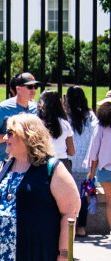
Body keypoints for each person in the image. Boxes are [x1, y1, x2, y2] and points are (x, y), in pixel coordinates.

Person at [0, 114, 81, 261]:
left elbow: (70, 212)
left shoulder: (52, 168)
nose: (4, 138)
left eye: (10, 133)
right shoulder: (7, 164)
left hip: (33, 253)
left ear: (27, 135)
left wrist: (64, 255)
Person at [0, 73, 39, 172]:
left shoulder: (35, 108)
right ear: (18, 89)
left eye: (35, 86)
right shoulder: (3, 108)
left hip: (31, 163)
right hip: (7, 162)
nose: (33, 90)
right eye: (29, 86)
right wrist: (13, 137)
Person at [64, 86, 97, 237]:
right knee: (82, 196)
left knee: (69, 196)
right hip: (86, 162)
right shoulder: (90, 116)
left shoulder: (66, 116)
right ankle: (81, 227)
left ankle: (70, 225)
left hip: (69, 161)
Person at [86, 101, 111, 238]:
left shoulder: (100, 126)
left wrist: (91, 172)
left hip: (105, 170)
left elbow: (94, 151)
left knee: (110, 201)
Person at [37, 90, 75, 171]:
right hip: (62, 163)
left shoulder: (36, 124)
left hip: (43, 163)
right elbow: (71, 151)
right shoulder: (65, 124)